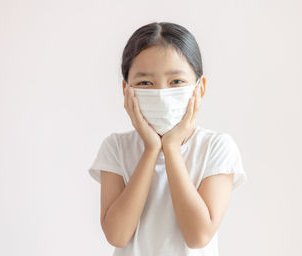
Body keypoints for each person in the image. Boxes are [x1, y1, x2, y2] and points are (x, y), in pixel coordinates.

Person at [88, 21, 247, 256]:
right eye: (145, 83)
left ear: (200, 88)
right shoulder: (116, 148)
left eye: (176, 82)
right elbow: (117, 235)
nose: (161, 95)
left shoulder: (216, 148)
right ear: (126, 90)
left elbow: (198, 236)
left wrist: (171, 148)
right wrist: (151, 149)